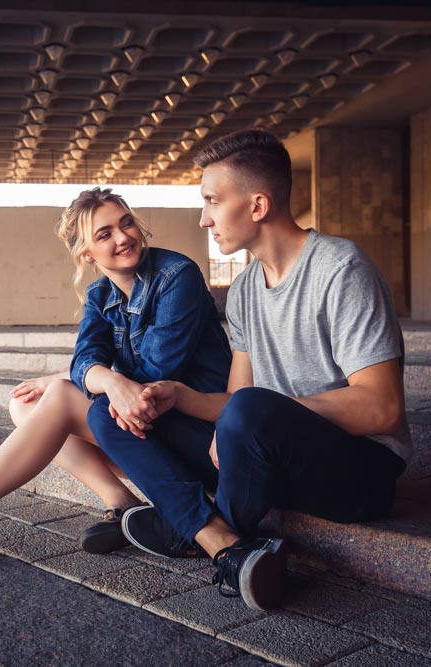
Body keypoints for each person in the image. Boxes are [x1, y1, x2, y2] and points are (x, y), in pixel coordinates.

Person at [88, 130, 411, 611]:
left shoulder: (341, 268)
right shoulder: (243, 291)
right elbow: (234, 401)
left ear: (258, 205)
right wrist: (178, 396)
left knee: (250, 410)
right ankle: (221, 542)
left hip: (359, 470)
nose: (204, 218)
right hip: (268, 452)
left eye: (212, 201)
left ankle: (185, 527)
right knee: (109, 413)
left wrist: (255, 418)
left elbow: (382, 409)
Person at [0, 187, 231, 562]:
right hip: (152, 430)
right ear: (86, 253)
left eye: (126, 223)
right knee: (26, 405)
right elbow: (86, 358)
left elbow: (154, 375)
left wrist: (92, 378)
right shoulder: (100, 295)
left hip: (208, 440)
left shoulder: (176, 275)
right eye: (104, 234)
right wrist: (104, 378)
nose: (123, 237)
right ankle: (123, 504)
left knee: (61, 397)